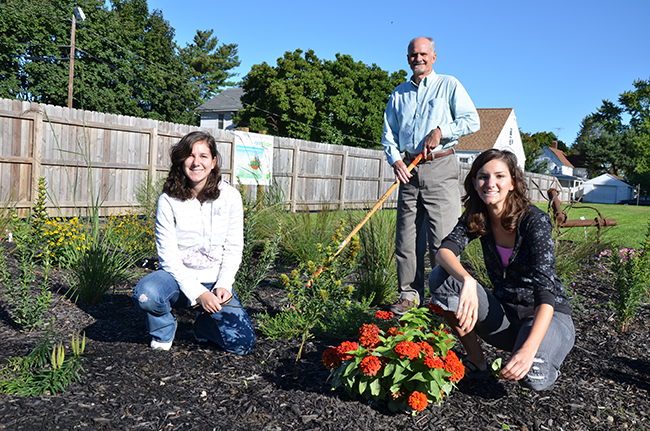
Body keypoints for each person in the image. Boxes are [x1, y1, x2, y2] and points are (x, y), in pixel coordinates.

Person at [429, 149, 575, 391]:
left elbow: (545, 293)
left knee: (534, 378)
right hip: (505, 318)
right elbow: (444, 251)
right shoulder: (478, 216)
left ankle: (547, 353)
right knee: (440, 276)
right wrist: (467, 280)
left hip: (545, 317)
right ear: (475, 182)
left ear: (512, 183)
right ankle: (477, 362)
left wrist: (528, 350)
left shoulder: (533, 221)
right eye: (483, 176)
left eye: (499, 176)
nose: (490, 183)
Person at [132, 131, 256, 355]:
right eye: (190, 156)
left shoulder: (230, 197)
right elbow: (167, 256)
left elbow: (234, 246)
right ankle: (163, 330)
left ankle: (204, 324)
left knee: (242, 345)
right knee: (147, 294)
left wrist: (224, 284)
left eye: (203, 156)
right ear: (181, 161)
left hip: (215, 281)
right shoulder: (168, 200)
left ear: (213, 162)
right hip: (176, 279)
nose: (196, 162)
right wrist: (199, 293)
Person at [382, 36, 480, 315]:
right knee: (407, 238)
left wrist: (441, 130)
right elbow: (388, 135)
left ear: (433, 57)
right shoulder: (398, 93)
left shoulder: (449, 85)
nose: (418, 58)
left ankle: (444, 300)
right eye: (413, 54)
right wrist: (396, 160)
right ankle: (409, 295)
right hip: (409, 171)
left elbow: (472, 120)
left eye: (423, 54)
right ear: (408, 58)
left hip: (440, 168)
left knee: (442, 240)